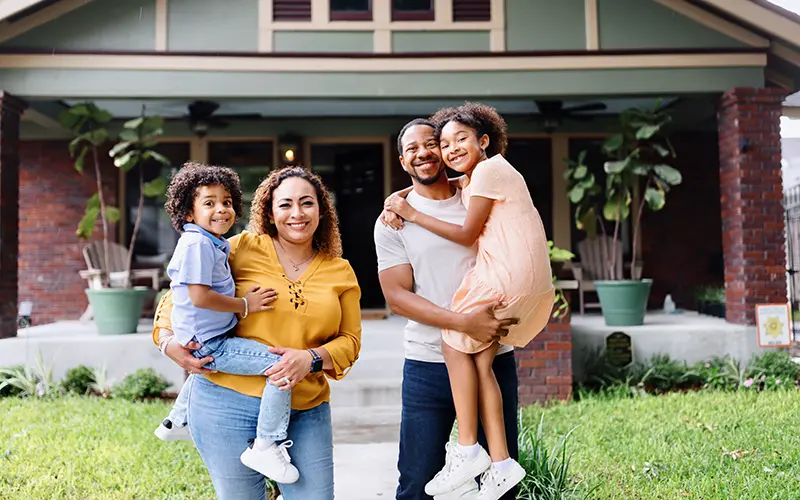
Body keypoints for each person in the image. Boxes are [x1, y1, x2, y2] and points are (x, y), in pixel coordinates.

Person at [153, 165, 362, 500]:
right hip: (224, 404)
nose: (297, 213)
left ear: (322, 211)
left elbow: (350, 343)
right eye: (285, 204)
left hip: (304, 407)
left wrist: (309, 359)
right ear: (269, 210)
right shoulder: (241, 247)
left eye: (307, 203)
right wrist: (167, 342)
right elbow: (178, 296)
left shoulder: (340, 271)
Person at [383, 104, 554, 500]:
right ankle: (488, 459)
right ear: (402, 159)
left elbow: (467, 230)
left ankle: (473, 453)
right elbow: (395, 296)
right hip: (426, 365)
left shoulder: (479, 183)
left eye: (437, 143)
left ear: (483, 141)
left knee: (499, 496)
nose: (430, 151)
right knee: (415, 485)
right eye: (418, 147)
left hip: (495, 326)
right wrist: (402, 202)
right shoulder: (394, 218)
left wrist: (408, 206)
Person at [153, 162, 300, 483]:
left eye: (227, 202)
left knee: (208, 370)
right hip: (211, 341)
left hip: (206, 335)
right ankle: (266, 443)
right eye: (209, 203)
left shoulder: (210, 242)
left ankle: (176, 421)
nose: (221, 209)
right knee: (280, 367)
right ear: (188, 213)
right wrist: (245, 305)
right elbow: (199, 297)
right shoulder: (197, 245)